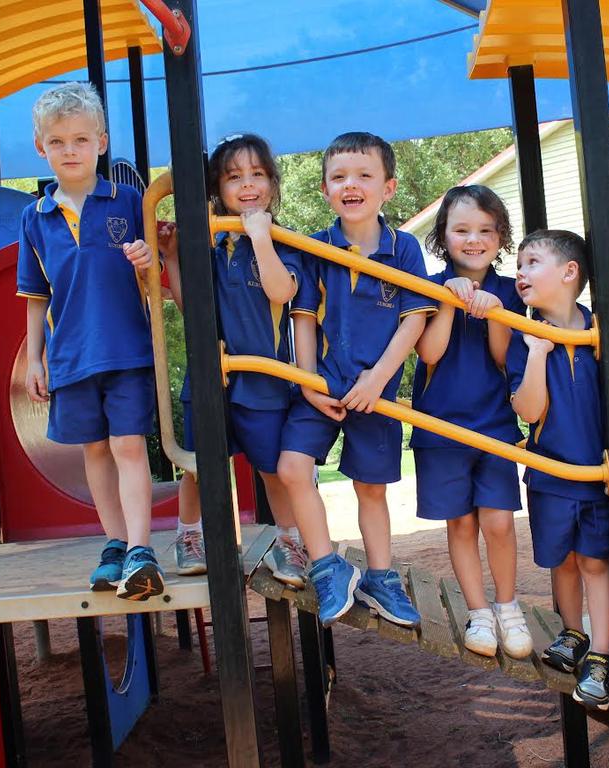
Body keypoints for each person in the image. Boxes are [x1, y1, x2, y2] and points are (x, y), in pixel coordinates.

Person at [277, 132, 436, 628]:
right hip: (321, 382)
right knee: (291, 468)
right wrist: (306, 383)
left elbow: (414, 319)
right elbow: (303, 316)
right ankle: (327, 565)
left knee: (371, 488)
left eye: (364, 176)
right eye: (339, 177)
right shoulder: (315, 247)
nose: (351, 185)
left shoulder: (403, 248)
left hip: (377, 390)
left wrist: (377, 380)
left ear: (387, 188)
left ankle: (381, 576)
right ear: (325, 190)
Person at [17, 82, 163, 600]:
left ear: (101, 142)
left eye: (81, 139)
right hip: (72, 353)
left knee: (127, 444)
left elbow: (158, 280)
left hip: (126, 347)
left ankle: (142, 548)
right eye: (58, 142)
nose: (70, 150)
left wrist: (149, 261)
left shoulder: (127, 200)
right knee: (94, 450)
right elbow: (36, 293)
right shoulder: (35, 218)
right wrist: (34, 358)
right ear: (42, 149)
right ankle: (116, 544)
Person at [159, 134, 309, 588]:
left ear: (272, 183)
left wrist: (260, 236)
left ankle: (289, 540)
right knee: (199, 463)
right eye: (234, 177)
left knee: (270, 466)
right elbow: (191, 310)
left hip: (262, 374)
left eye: (258, 175)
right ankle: (190, 536)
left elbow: (282, 292)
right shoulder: (206, 241)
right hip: (210, 373)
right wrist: (171, 258)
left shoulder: (280, 240)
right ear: (216, 188)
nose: (247, 185)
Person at [410, 185, 532, 659]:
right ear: (444, 235)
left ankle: (508, 606)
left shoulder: (511, 291)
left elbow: (504, 359)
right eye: (462, 229)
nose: (474, 239)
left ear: (500, 237)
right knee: (461, 524)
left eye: (485, 230)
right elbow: (430, 354)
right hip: (442, 428)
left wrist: (496, 313)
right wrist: (448, 301)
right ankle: (478, 611)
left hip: (495, 424)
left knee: (499, 521)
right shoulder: (430, 286)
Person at [506, 230, 609, 709]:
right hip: (549, 474)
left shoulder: (599, 331)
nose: (520, 274)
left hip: (596, 472)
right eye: (519, 266)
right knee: (564, 562)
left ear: (569, 272)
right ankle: (573, 635)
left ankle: (602, 655)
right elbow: (529, 411)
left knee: (596, 561)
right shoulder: (523, 333)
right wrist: (535, 352)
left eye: (531, 263)